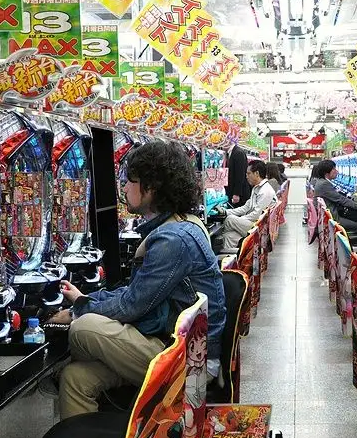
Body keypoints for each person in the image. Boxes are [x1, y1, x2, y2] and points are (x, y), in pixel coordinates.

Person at [46, 140, 227, 420]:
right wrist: (85, 299)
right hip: (175, 346)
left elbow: (132, 305)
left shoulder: (172, 240)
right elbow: (136, 292)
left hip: (188, 363)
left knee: (83, 328)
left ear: (151, 187)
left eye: (130, 181)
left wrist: (76, 310)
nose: (124, 188)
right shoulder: (179, 224)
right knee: (74, 379)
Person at [221, 159, 276, 250]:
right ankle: (235, 260)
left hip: (261, 229)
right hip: (254, 224)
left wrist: (237, 220)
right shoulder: (257, 188)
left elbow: (256, 215)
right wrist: (227, 211)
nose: (246, 176)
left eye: (248, 173)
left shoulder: (265, 191)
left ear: (257, 174)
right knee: (228, 236)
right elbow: (246, 207)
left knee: (229, 220)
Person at [313, 159, 357, 232]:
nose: (337, 171)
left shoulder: (321, 182)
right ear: (326, 172)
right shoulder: (324, 184)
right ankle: (348, 242)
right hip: (332, 219)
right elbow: (340, 199)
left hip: (327, 217)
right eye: (334, 169)